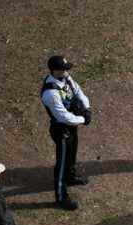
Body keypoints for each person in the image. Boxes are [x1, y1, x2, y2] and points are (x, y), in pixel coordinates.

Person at [40, 55, 91, 210]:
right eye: (64, 69)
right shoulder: (50, 93)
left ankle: (71, 176)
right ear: (55, 71)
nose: (67, 71)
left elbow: (77, 90)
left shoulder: (65, 78)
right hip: (61, 128)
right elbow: (62, 116)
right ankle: (61, 197)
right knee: (61, 163)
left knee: (72, 153)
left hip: (72, 124)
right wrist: (82, 119)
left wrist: (86, 107)